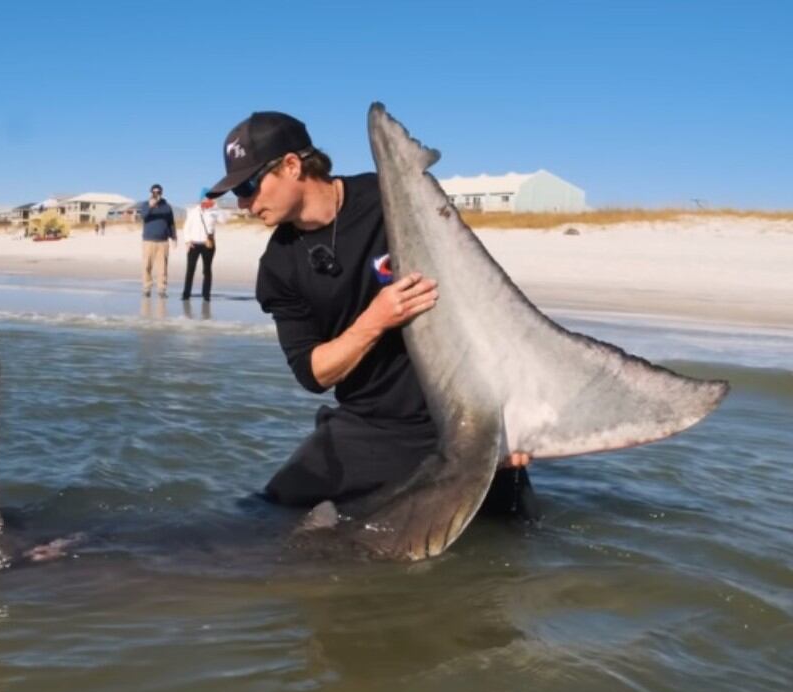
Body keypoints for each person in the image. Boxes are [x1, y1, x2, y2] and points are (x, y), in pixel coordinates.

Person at [205, 112, 532, 514]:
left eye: (248, 186)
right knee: (268, 516)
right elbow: (313, 373)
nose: (242, 203)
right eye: (236, 192)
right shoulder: (278, 268)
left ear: (292, 166)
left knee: (511, 542)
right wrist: (376, 320)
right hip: (371, 425)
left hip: (461, 415)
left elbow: (484, 303)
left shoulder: (393, 199)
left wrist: (511, 418)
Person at [181, 188, 219, 301]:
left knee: (207, 270)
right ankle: (186, 294)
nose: (208, 200)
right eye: (206, 198)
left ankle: (206, 295)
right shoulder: (193, 212)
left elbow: (223, 220)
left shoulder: (213, 212)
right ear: (201, 199)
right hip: (194, 244)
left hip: (208, 244)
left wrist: (214, 209)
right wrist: (187, 241)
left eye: (210, 198)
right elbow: (186, 227)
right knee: (190, 269)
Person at [140, 183, 177, 297]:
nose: (156, 194)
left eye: (158, 192)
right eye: (154, 192)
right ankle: (147, 288)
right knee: (147, 265)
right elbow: (143, 216)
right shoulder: (146, 205)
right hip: (149, 240)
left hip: (163, 241)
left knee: (162, 267)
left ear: (162, 193)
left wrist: (174, 237)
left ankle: (161, 289)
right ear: (151, 193)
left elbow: (171, 223)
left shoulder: (167, 206)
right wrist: (151, 206)